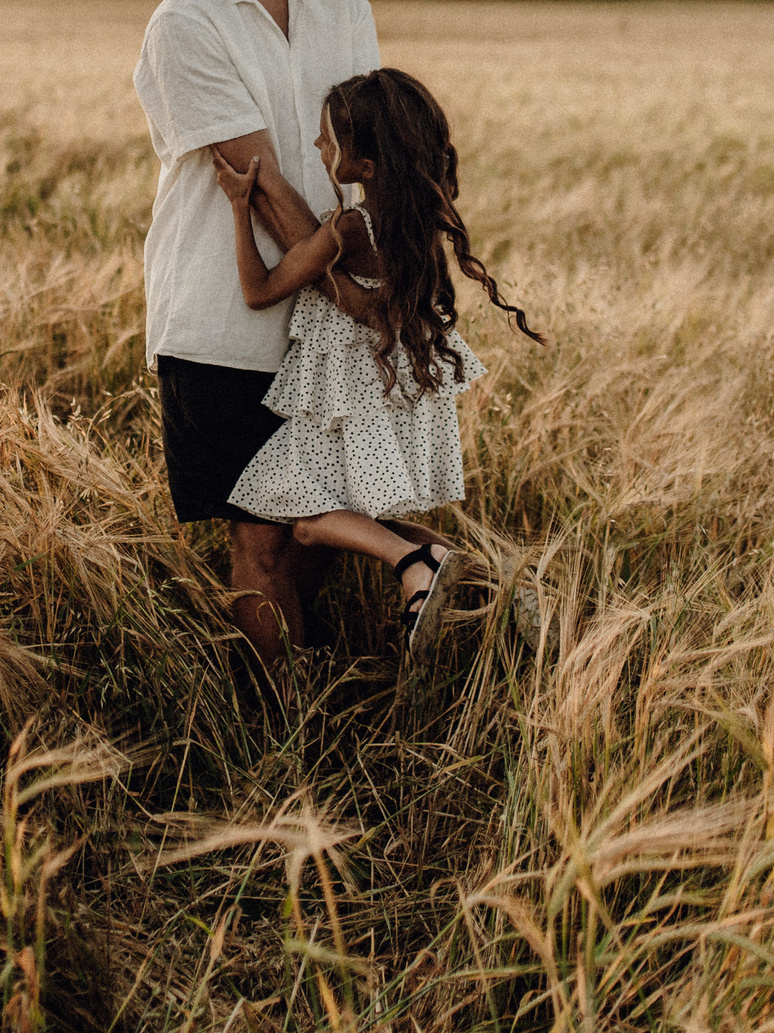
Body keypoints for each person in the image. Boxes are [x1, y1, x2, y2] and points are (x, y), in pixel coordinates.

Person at [132, 0, 445, 675]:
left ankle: (323, 711)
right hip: (227, 318)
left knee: (323, 521)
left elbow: (376, 152)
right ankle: (278, 736)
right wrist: (357, 299)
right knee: (262, 534)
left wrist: (396, 282)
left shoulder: (341, 2)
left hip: (332, 317)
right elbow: (262, 179)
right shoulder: (186, 22)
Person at [214, 69, 543, 659]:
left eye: (328, 139)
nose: (317, 145)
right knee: (339, 516)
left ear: (363, 164)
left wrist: (240, 208)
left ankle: (415, 563)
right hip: (388, 388)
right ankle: (496, 574)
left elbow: (260, 290)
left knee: (299, 517)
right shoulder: (414, 219)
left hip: (347, 396)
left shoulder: (351, 226)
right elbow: (366, 301)